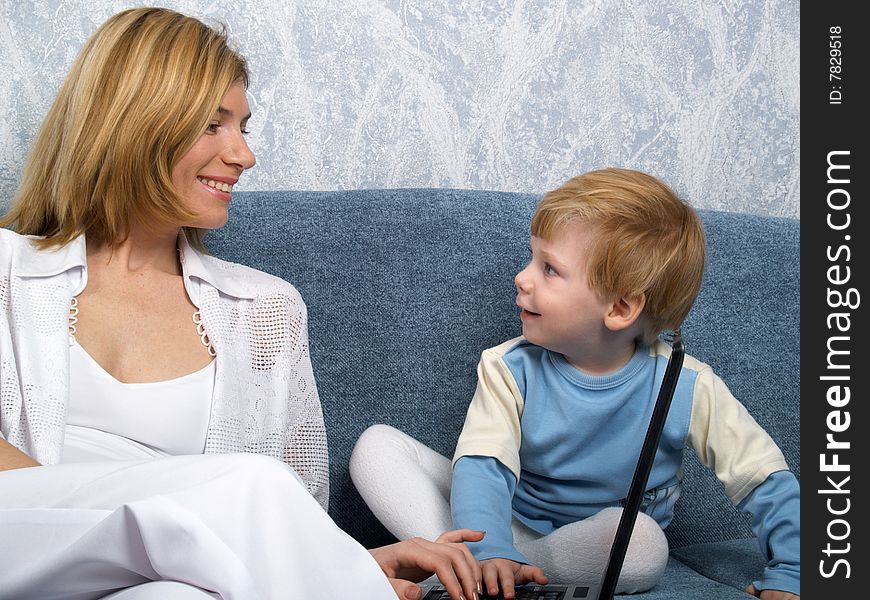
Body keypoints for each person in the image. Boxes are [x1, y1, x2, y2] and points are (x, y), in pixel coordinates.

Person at [0, 8, 483, 600]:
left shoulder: (264, 310)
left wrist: (356, 558)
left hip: (154, 579)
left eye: (243, 128)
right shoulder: (6, 269)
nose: (243, 156)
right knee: (249, 484)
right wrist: (107, 515)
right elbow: (253, 504)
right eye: (212, 124)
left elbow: (287, 519)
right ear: (133, 122)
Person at [350, 168, 800, 599]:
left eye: (549, 268)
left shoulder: (687, 386)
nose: (522, 277)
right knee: (377, 448)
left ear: (621, 309)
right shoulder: (507, 366)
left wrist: (794, 570)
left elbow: (761, 477)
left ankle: (504, 568)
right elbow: (483, 467)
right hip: (501, 523)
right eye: (532, 258)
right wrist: (491, 547)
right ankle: (485, 563)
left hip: (597, 542)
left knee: (640, 544)